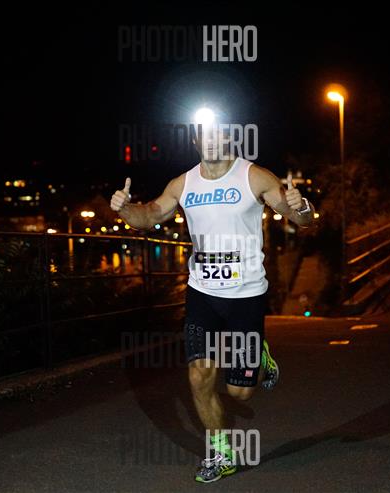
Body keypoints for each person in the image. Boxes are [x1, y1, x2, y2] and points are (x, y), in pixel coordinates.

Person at [110, 112, 317, 482]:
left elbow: (301, 220)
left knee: (239, 393)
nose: (210, 141)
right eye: (203, 135)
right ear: (196, 141)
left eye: (217, 134)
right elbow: (149, 216)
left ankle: (260, 358)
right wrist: (125, 208)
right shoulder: (183, 183)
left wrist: (302, 207)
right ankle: (222, 454)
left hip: (246, 295)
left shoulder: (254, 176)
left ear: (229, 139)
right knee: (200, 374)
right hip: (202, 293)